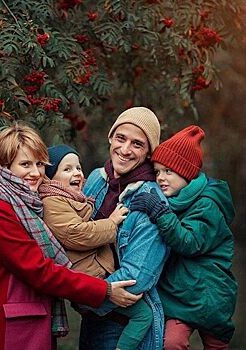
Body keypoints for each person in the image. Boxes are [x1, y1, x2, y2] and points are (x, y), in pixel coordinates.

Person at [0, 121, 138, 350]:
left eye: (39, 164)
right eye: (25, 164)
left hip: (27, 322)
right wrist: (103, 289)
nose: (35, 173)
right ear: (5, 166)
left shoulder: (29, 207)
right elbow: (40, 271)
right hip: (7, 330)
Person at [130, 125, 238, 350]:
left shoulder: (208, 204)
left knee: (216, 344)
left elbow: (189, 242)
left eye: (168, 171)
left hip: (210, 295)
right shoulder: (174, 201)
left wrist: (159, 212)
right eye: (157, 171)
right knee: (171, 343)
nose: (160, 178)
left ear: (186, 173)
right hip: (179, 296)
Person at [39, 144, 154, 350]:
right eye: (67, 169)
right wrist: (112, 223)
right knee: (143, 315)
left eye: (78, 168)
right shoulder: (51, 202)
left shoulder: (75, 199)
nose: (77, 173)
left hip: (94, 277)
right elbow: (76, 233)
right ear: (49, 177)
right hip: (89, 280)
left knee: (142, 315)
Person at [80, 106, 169, 350]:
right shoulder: (97, 179)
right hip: (93, 316)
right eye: (121, 138)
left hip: (124, 327)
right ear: (110, 137)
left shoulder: (151, 201)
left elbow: (135, 278)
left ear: (149, 152)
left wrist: (84, 296)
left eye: (137, 144)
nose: (125, 149)